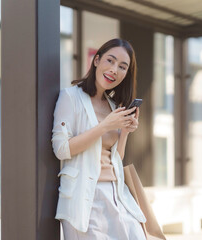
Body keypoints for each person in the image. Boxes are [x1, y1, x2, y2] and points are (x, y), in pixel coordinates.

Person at [51, 38, 147, 239]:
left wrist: (125, 132)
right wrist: (105, 126)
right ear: (96, 61)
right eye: (110, 61)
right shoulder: (70, 97)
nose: (114, 70)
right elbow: (61, 149)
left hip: (116, 194)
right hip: (85, 197)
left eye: (122, 67)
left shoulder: (112, 106)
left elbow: (116, 160)